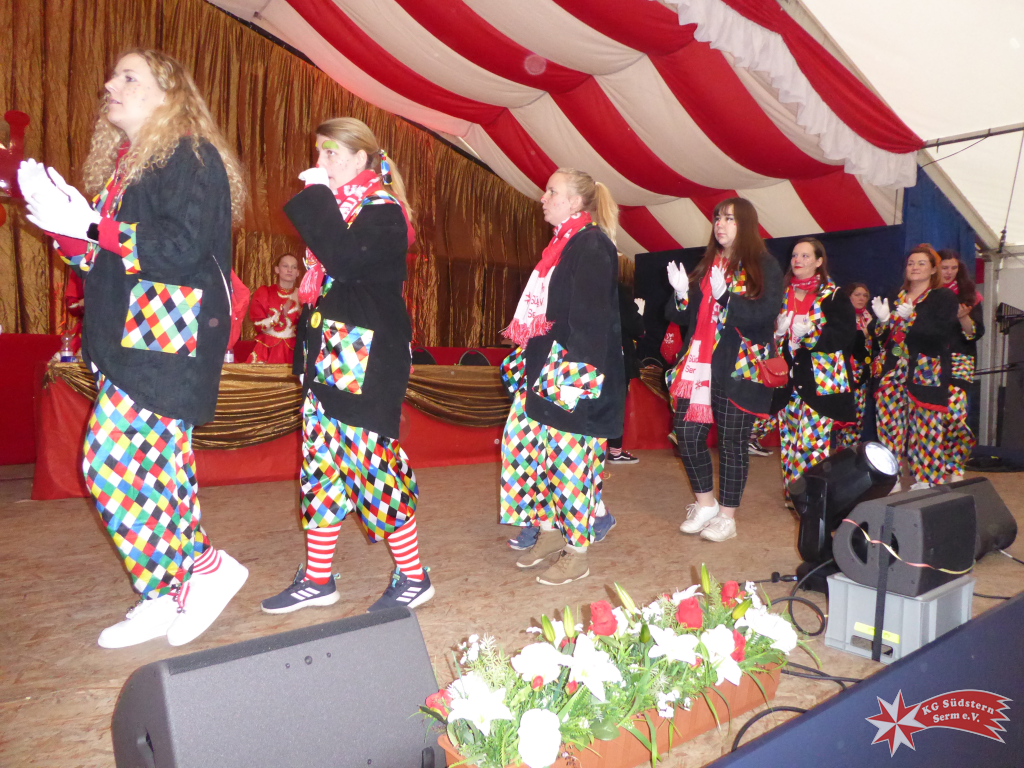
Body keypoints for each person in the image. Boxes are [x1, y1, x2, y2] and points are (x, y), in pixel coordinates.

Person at [18, 49, 249, 648]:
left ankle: (200, 570)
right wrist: (67, 231)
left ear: (168, 94)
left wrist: (89, 226)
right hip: (139, 331)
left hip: (166, 333)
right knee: (158, 472)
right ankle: (167, 590)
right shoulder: (130, 168)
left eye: (129, 76)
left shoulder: (189, 154)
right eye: (114, 75)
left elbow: (179, 247)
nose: (109, 84)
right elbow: (107, 261)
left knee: (109, 465)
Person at [260, 117, 430, 614]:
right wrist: (304, 356)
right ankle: (318, 579)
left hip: (367, 360)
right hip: (330, 357)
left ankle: (414, 576)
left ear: (360, 159)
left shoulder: (383, 211)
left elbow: (346, 264)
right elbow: (323, 298)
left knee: (374, 466)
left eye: (330, 153)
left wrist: (316, 198)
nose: (320, 163)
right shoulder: (344, 211)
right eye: (318, 153)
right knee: (321, 469)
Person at [498, 167, 623, 585]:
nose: (543, 197)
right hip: (541, 369)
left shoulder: (592, 245)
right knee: (528, 453)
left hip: (570, 374)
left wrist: (569, 385)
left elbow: (590, 324)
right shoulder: (561, 243)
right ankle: (549, 532)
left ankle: (578, 552)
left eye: (552, 192)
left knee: (571, 465)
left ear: (574, 202)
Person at [664, 198, 784, 541]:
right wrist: (680, 294)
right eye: (717, 218)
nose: (720, 224)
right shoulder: (708, 264)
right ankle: (705, 504)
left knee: (732, 442)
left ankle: (727, 518)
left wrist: (727, 299)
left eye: (729, 218)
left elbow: (764, 314)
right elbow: (680, 315)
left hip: (737, 367)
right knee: (686, 434)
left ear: (745, 224)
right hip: (698, 364)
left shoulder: (763, 265)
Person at [770, 239, 857, 491]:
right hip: (787, 380)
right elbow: (764, 333)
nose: (798, 260)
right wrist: (777, 333)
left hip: (819, 381)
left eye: (805, 256)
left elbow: (844, 336)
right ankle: (794, 493)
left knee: (811, 445)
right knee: (789, 441)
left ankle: (809, 496)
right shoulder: (780, 294)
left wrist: (811, 335)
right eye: (795, 255)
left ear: (819, 261)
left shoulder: (833, 296)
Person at [872, 245, 959, 491]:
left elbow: (941, 335)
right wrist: (882, 321)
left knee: (926, 428)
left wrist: (911, 318)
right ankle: (891, 480)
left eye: (921, 263)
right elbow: (880, 340)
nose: (915, 267)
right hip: (892, 371)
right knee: (889, 428)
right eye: (911, 263)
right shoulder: (896, 295)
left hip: (925, 372)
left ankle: (927, 480)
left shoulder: (943, 297)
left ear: (933, 269)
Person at [938, 249, 984, 482]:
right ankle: (935, 464)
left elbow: (976, 333)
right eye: (944, 267)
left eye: (953, 268)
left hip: (960, 362)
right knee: (932, 418)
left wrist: (964, 317)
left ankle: (955, 465)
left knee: (955, 416)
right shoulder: (928, 294)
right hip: (930, 362)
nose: (949, 272)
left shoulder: (970, 296)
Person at [607, 261, 645, 465]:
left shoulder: (584, 287)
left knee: (593, 401)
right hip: (617, 357)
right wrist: (639, 312)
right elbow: (636, 328)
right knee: (615, 404)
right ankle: (615, 451)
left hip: (591, 354)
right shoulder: (620, 291)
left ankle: (592, 448)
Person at [837, 282, 874, 448]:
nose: (861, 298)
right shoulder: (842, 316)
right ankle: (842, 451)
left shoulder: (868, 317)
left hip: (864, 372)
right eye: (857, 295)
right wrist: (863, 334)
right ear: (849, 296)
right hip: (846, 371)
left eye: (865, 295)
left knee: (858, 414)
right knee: (845, 414)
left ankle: (851, 451)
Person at [247, 253, 302, 363]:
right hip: (267, 350)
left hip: (294, 351)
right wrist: (279, 316)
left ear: (298, 273)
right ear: (277, 269)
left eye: (294, 267)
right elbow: (258, 326)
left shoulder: (303, 296)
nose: (289, 270)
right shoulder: (265, 293)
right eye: (285, 266)